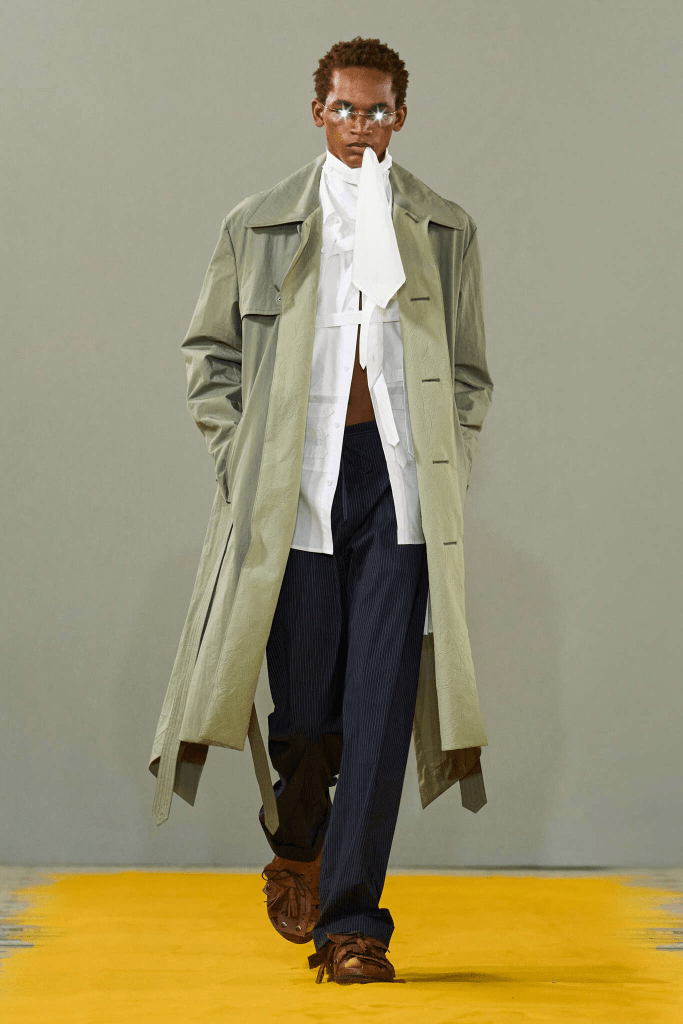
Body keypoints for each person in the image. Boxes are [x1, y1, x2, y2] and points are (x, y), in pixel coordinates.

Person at [148, 35, 494, 987]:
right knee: (305, 713)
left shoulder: (444, 228)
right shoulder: (257, 223)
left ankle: (352, 925)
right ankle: (298, 838)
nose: (359, 125)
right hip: (291, 485)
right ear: (317, 111)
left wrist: (447, 465)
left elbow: (467, 373)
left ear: (399, 116)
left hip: (397, 490)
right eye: (343, 107)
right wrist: (241, 459)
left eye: (376, 110)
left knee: (379, 709)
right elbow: (208, 356)